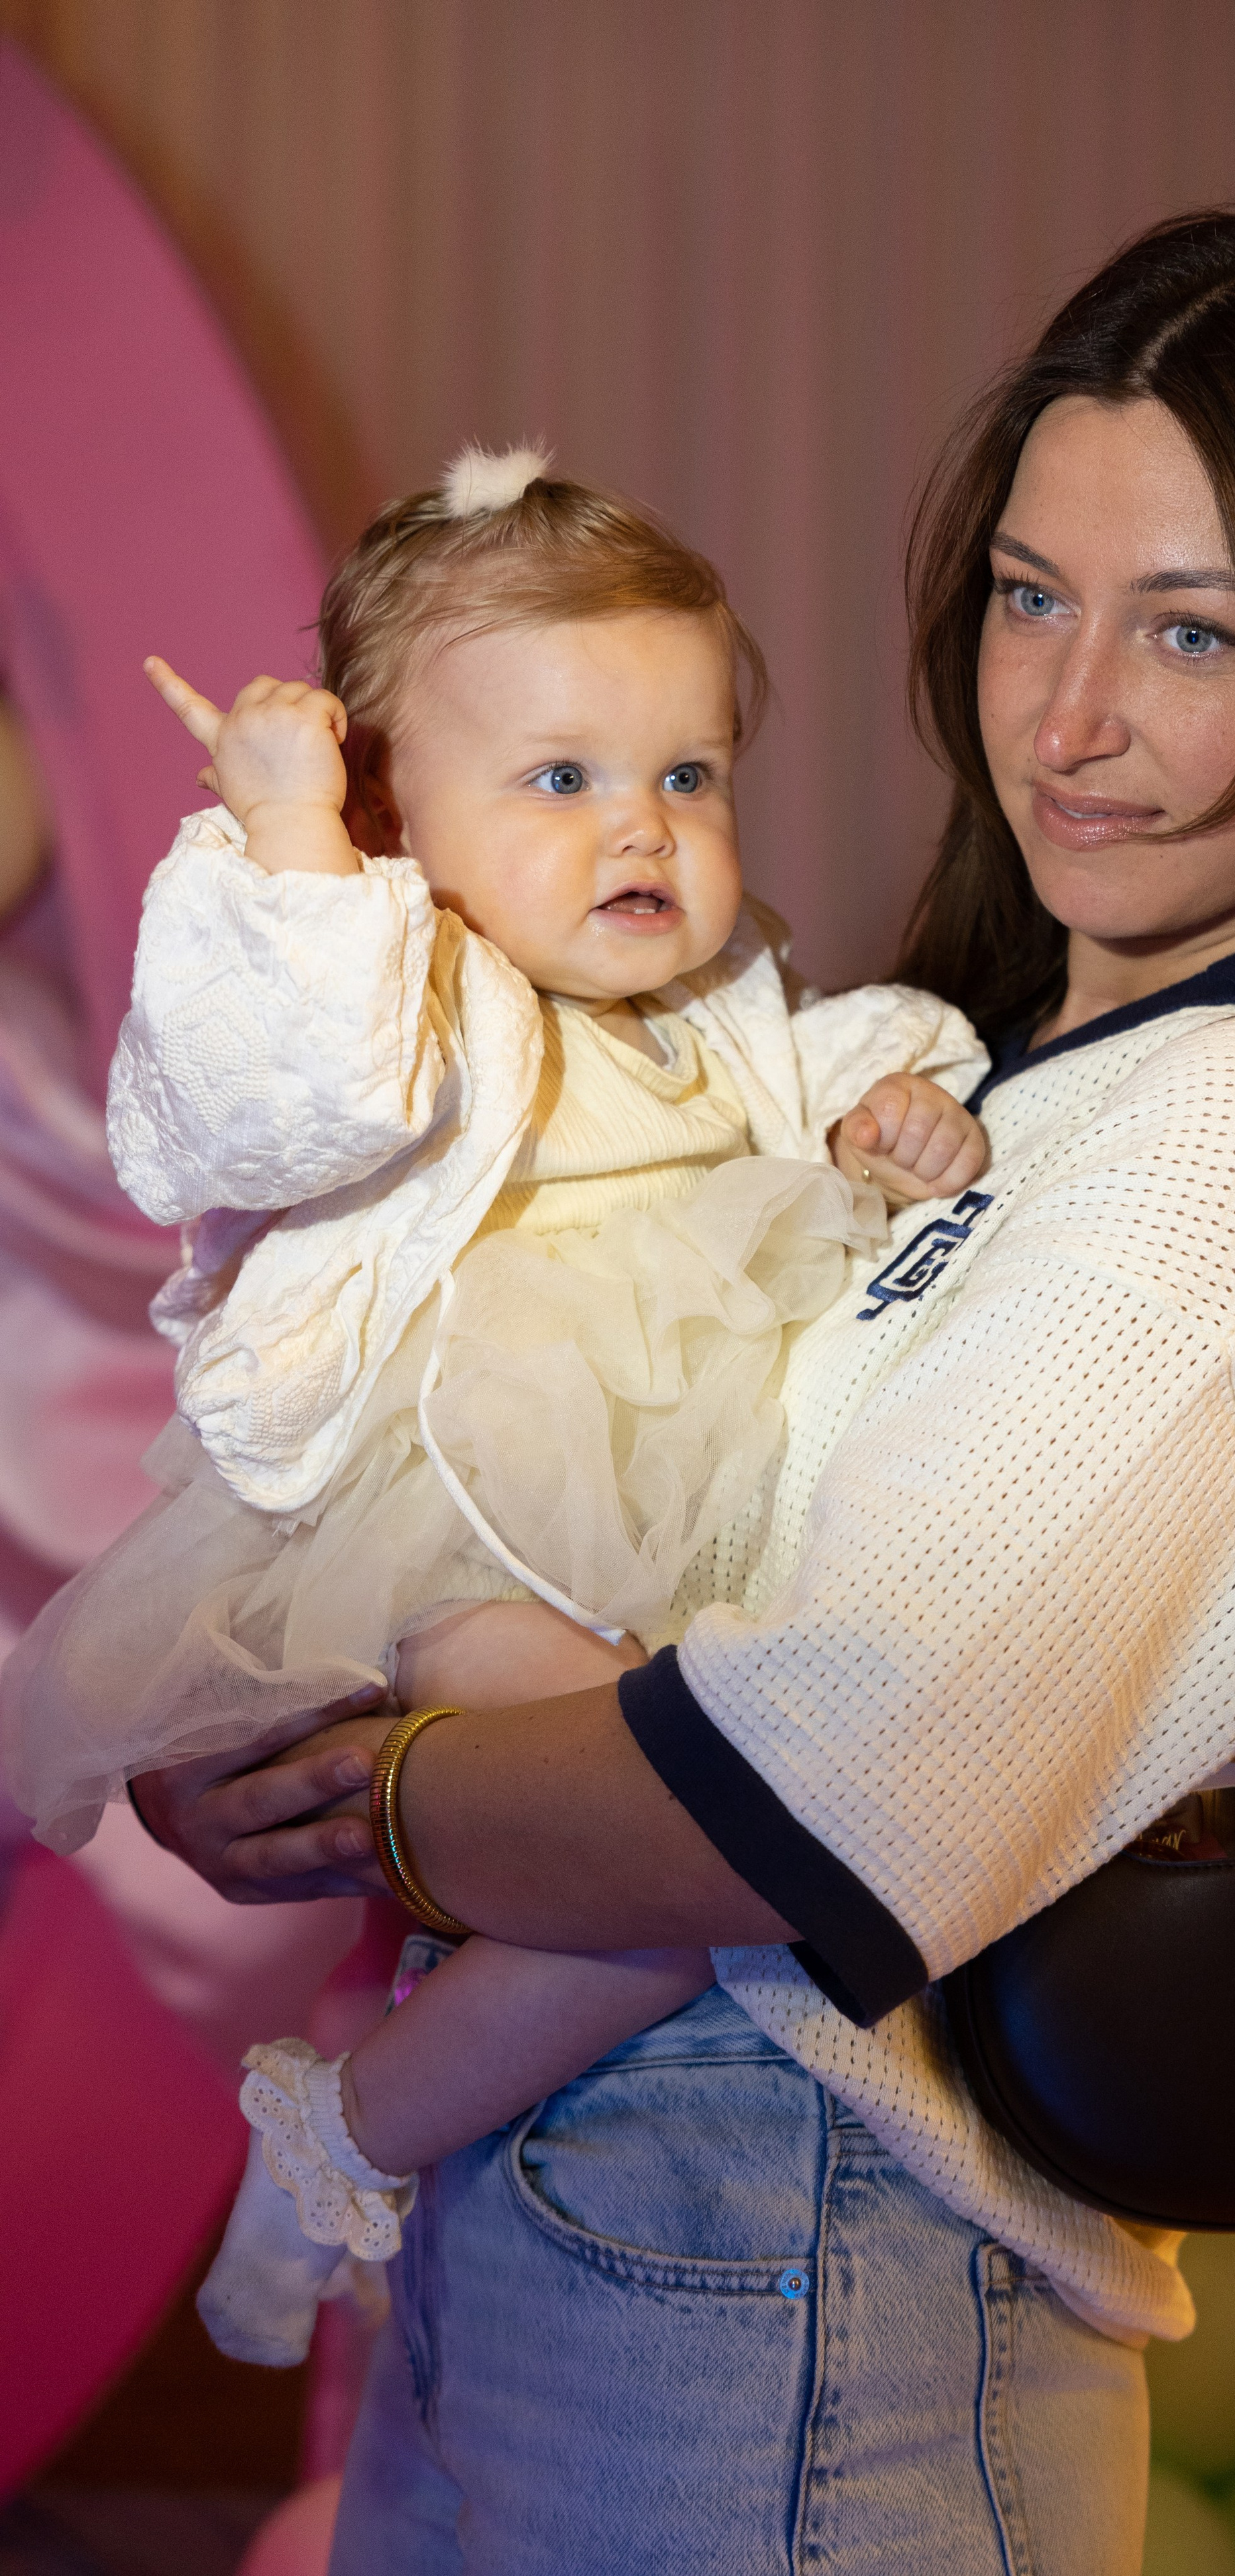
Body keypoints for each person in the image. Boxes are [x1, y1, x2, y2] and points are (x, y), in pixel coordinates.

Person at [129, 209, 1235, 2576]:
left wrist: (369, 1804)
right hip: (591, 2185)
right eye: (1025, 596)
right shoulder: (1004, 1077)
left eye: (1191, 630)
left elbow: (776, 1793)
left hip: (804, 2246)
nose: (1065, 717)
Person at [1, 449, 990, 2366]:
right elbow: (276, 1096)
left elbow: (815, 1066)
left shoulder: (716, 993)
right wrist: (298, 849)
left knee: (678, 1884)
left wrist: (900, 1110)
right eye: (560, 778)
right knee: (693, 1835)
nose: (643, 828)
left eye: (685, 775)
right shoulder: (405, 984)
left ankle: (345, 2133)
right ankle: (346, 2143)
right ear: (396, 809)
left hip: (672, 1538)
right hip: (447, 1506)